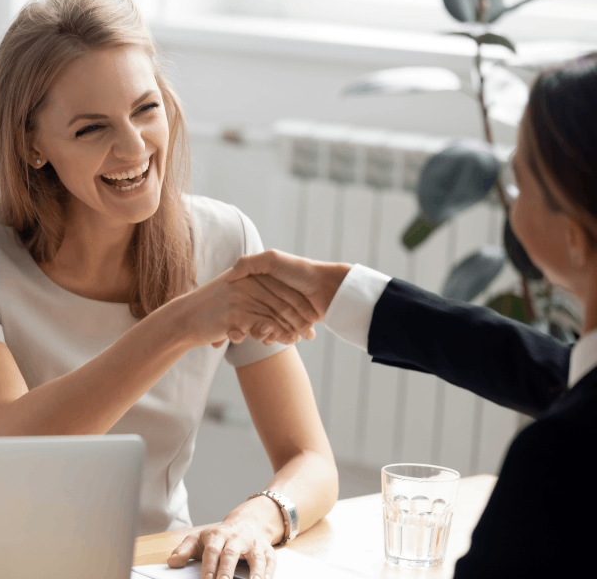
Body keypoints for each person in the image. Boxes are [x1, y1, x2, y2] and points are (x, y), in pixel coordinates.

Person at [0, 0, 336, 579]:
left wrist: (257, 518)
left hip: (155, 564)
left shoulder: (223, 239)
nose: (134, 148)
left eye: (146, 109)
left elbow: (310, 459)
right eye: (92, 129)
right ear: (32, 145)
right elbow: (9, 449)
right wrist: (183, 322)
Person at [228, 53, 597, 577]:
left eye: (520, 181)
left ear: (574, 239)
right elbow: (556, 371)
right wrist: (345, 291)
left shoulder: (559, 459)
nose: (508, 198)